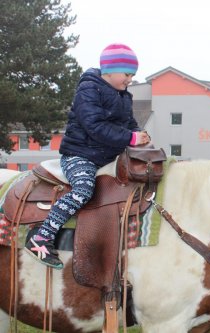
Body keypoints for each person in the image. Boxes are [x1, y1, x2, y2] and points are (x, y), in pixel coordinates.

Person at [24, 43, 150, 269]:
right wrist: (130, 139)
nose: (130, 79)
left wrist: (139, 136)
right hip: (80, 155)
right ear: (109, 70)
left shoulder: (124, 97)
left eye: (133, 75)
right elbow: (94, 126)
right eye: (127, 74)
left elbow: (128, 124)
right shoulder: (89, 89)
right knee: (83, 189)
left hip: (107, 156)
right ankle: (42, 235)